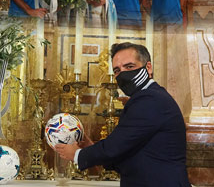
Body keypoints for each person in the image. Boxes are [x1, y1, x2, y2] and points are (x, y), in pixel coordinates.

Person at [55, 42, 191, 187]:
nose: (123, 74)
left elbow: (115, 146)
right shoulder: (147, 97)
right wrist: (90, 146)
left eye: (130, 67)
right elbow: (126, 154)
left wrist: (77, 155)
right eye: (117, 70)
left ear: (148, 67)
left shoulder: (150, 99)